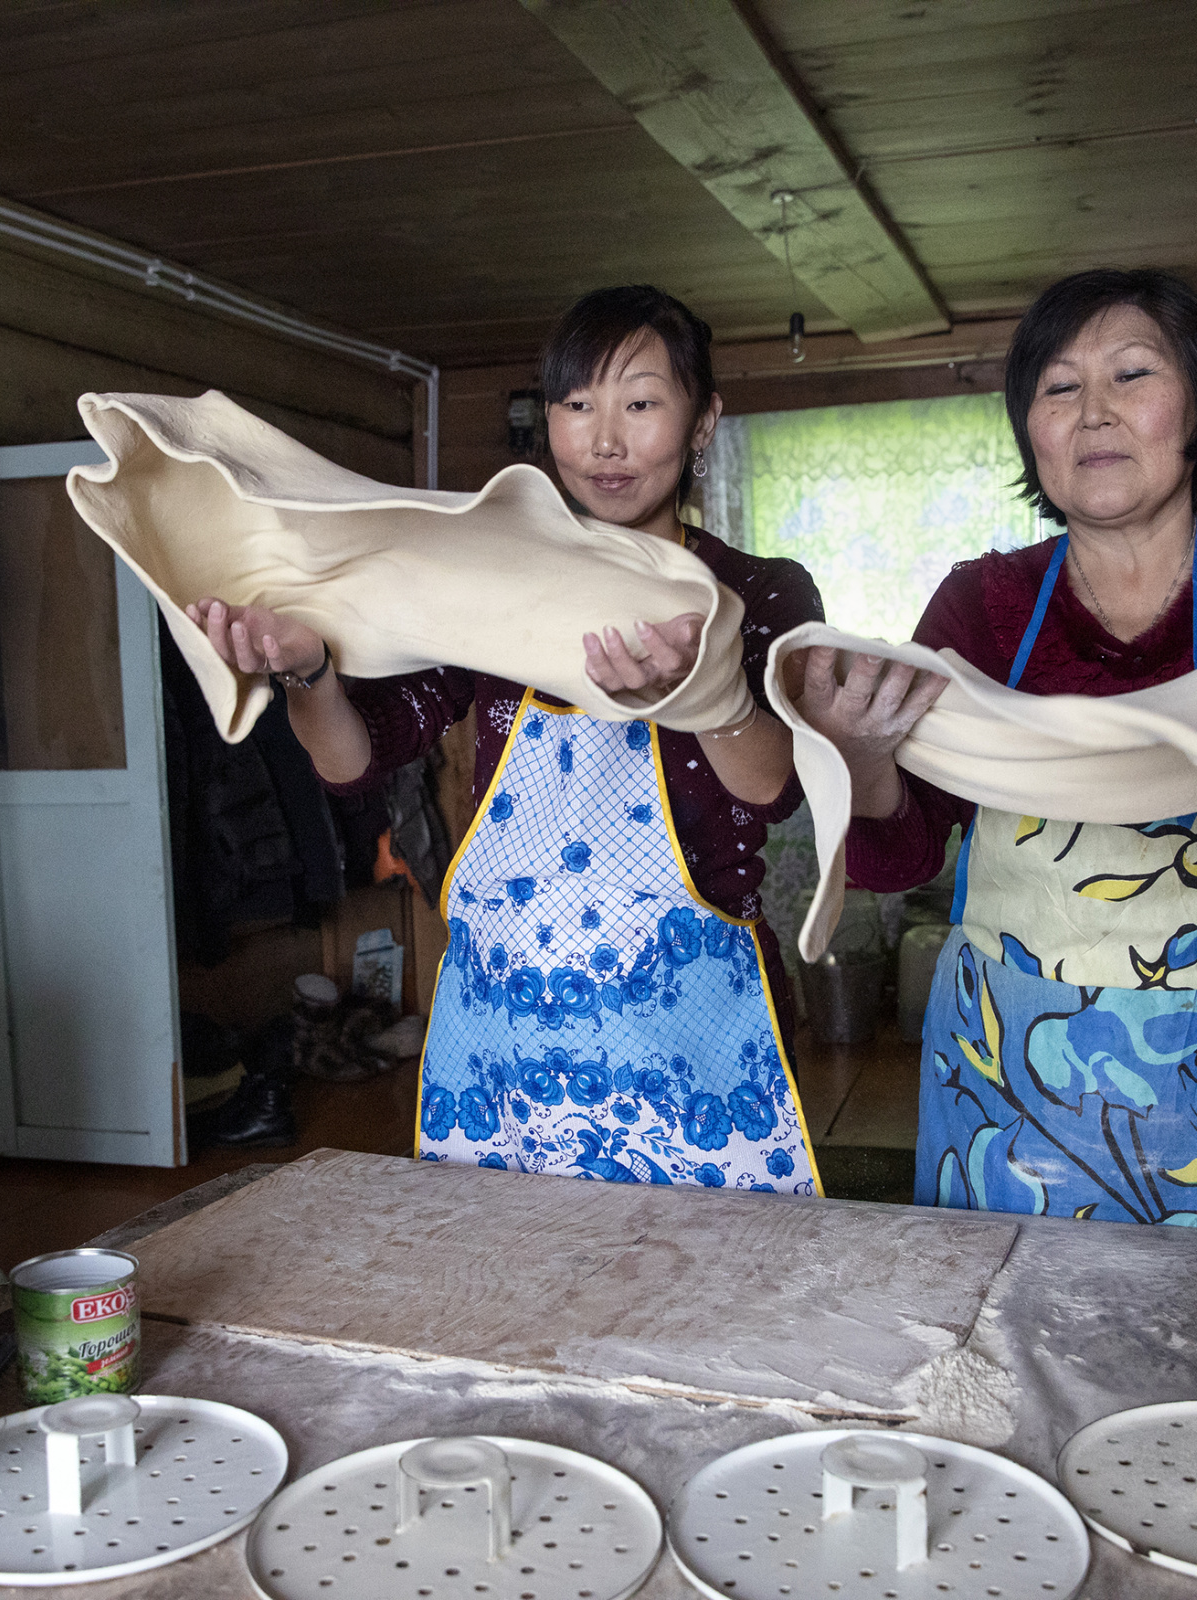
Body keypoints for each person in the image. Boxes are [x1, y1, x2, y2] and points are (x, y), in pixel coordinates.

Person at [791, 267, 1197, 1234]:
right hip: (1011, 1063)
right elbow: (902, 855)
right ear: (1029, 433)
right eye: (1057, 387)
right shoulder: (982, 609)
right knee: (1008, 1342)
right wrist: (857, 754)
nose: (1093, 412)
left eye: (1131, 374)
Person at [185, 285, 824, 1193]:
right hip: (505, 1032)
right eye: (576, 405)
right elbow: (357, 756)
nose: (604, 441)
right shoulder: (490, 573)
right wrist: (307, 673)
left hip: (693, 1034)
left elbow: (776, 791)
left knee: (707, 1300)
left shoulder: (753, 591)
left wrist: (698, 693)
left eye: (640, 403)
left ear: (702, 420)